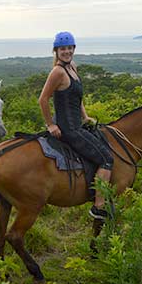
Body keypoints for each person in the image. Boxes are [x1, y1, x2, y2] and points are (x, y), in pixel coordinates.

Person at [38, 31, 114, 220]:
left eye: (69, 48)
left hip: (77, 123)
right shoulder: (57, 72)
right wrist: (50, 125)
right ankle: (99, 206)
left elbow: (76, 97)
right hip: (69, 129)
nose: (67, 52)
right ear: (56, 51)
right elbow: (43, 99)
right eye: (63, 49)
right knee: (106, 158)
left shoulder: (72, 67)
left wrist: (85, 115)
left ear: (74, 49)